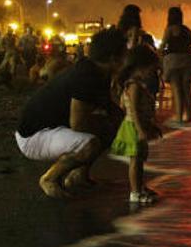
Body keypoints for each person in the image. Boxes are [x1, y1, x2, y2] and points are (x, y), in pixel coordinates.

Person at [15, 28, 127, 198]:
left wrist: (126, 123)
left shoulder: (96, 70)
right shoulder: (86, 76)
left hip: (51, 129)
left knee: (111, 129)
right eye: (124, 54)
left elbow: (108, 107)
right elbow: (78, 123)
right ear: (113, 58)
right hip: (34, 137)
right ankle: (50, 178)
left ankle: (78, 176)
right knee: (91, 143)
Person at [110, 45, 163, 204]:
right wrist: (141, 129)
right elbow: (133, 110)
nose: (152, 73)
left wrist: (150, 126)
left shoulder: (135, 84)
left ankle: (139, 187)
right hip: (133, 126)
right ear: (139, 67)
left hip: (137, 125)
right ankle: (135, 192)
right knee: (136, 161)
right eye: (150, 69)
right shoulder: (134, 86)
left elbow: (125, 107)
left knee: (139, 160)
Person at [161, 6, 191, 123]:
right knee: (186, 89)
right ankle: (190, 116)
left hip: (174, 62)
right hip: (187, 61)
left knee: (177, 90)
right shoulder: (187, 30)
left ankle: (179, 117)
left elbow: (162, 45)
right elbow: (189, 46)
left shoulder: (170, 29)